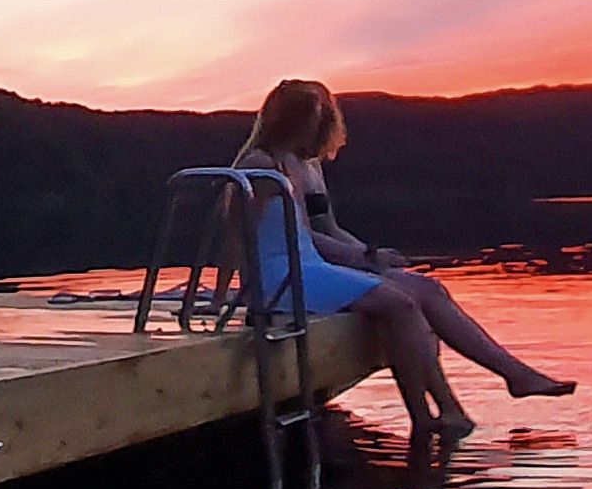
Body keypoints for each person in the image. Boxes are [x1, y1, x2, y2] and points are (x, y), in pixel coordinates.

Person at [225, 78, 572, 440]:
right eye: (315, 117)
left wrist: (369, 257)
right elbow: (236, 233)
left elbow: (314, 232)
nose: (321, 125)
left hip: (309, 265)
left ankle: (480, 394)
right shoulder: (260, 164)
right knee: (402, 306)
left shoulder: (298, 164)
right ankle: (425, 417)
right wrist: (234, 292)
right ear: (294, 120)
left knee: (427, 290)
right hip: (285, 274)